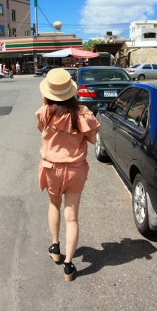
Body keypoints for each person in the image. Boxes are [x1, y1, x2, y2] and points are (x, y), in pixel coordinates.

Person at [35, 68, 100, 282]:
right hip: (75, 169)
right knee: (72, 218)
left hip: (52, 167)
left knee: (54, 205)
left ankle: (55, 247)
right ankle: (69, 266)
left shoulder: (44, 112)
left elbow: (40, 130)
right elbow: (92, 139)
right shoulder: (82, 113)